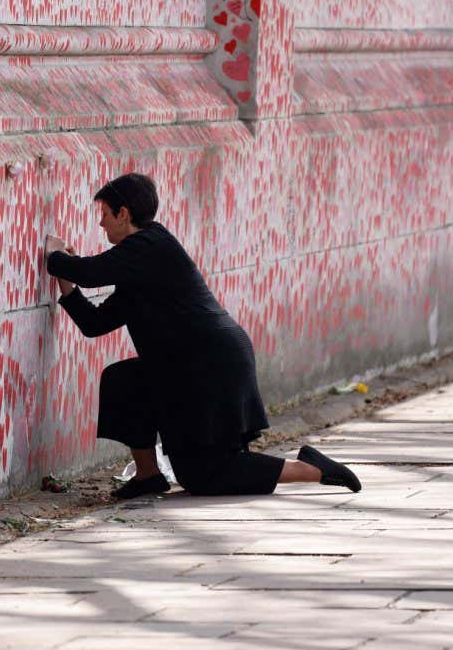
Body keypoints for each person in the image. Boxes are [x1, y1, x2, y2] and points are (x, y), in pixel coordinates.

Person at [45, 172, 361, 499]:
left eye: (105, 215)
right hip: (192, 367)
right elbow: (93, 323)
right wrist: (65, 278)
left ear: (124, 214)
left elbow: (90, 272)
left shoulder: (150, 244)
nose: (101, 224)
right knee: (124, 380)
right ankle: (148, 475)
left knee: (205, 476)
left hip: (212, 366)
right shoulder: (138, 265)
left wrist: (55, 258)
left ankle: (310, 469)